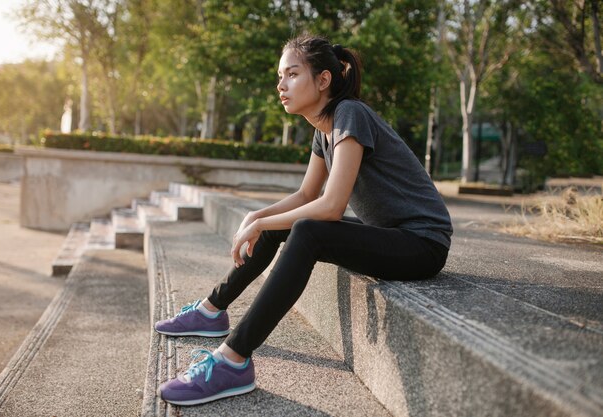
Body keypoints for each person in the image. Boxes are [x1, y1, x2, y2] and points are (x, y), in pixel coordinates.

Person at [155, 34, 453, 406]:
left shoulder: (350, 114)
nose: (281, 85)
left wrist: (264, 224)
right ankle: (212, 310)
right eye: (280, 76)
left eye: (292, 74)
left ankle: (232, 360)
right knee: (285, 220)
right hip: (389, 234)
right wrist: (259, 215)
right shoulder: (323, 128)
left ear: (323, 79)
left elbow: (330, 206)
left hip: (422, 243)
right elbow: (306, 195)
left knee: (306, 230)